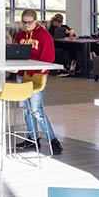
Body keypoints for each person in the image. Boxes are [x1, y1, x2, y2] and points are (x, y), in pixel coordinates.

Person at [14, 9, 62, 155]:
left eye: (29, 22)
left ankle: (53, 139)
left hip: (37, 75)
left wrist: (37, 71)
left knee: (36, 110)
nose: (26, 25)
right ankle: (32, 138)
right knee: (26, 109)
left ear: (35, 21)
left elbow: (49, 57)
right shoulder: (20, 35)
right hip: (22, 75)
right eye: (24, 22)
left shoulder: (44, 35)